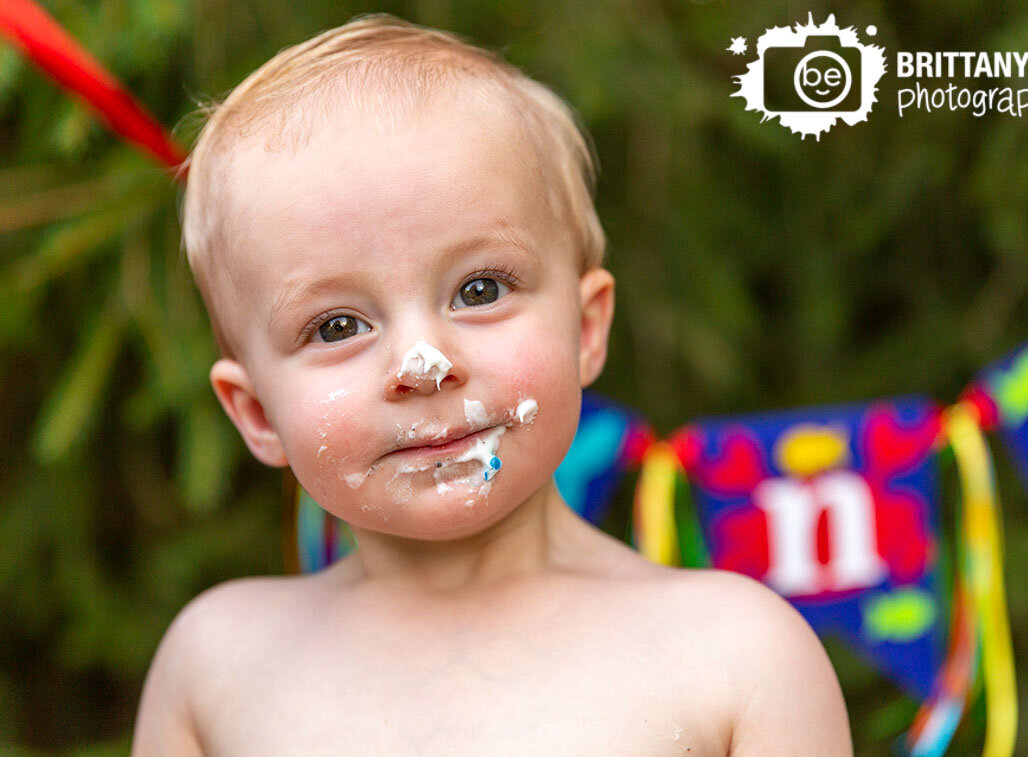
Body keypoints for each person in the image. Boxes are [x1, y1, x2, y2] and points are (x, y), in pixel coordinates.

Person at [132, 14, 852, 755]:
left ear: (585, 327)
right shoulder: (218, 668)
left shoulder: (736, 657)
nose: (424, 363)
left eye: (479, 289)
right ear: (256, 414)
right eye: (338, 326)